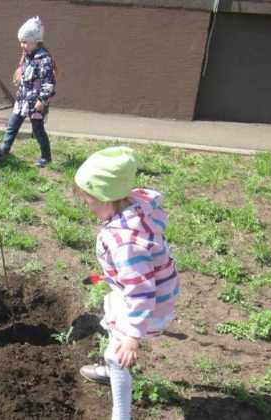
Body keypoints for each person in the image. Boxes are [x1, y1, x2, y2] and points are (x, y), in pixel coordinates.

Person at [74, 147, 180, 420]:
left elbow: (142, 291)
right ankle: (112, 369)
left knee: (117, 354)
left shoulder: (126, 244)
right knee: (113, 326)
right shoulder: (134, 203)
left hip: (147, 302)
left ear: (105, 198)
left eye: (88, 199)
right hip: (135, 291)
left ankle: (121, 415)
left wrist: (133, 336)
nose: (86, 204)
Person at [0, 16, 56, 168]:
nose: (22, 45)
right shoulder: (28, 56)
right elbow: (25, 74)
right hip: (22, 101)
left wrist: (42, 100)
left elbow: (49, 83)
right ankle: (3, 150)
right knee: (12, 125)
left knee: (38, 129)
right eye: (21, 41)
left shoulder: (44, 59)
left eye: (25, 42)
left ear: (36, 41)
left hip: (35, 103)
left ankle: (46, 156)